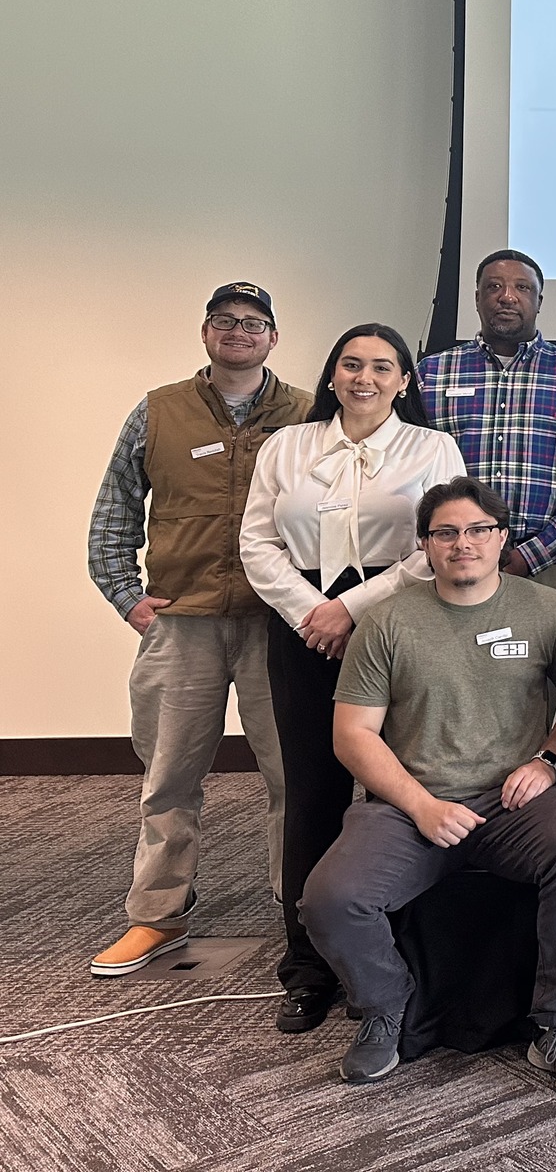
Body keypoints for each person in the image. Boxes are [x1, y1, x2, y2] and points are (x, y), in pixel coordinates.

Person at [299, 478, 556, 1095]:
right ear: (424, 544)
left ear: (502, 538)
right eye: (445, 532)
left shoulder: (547, 611)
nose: (462, 543)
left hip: (516, 801)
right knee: (329, 900)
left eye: (478, 530)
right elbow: (352, 736)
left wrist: (547, 760)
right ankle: (386, 1005)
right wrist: (421, 805)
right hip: (408, 804)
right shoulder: (387, 622)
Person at [240, 323, 465, 1034]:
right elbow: (257, 541)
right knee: (311, 792)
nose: (364, 377)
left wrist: (352, 609)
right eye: (351, 364)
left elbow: (439, 544)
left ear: (404, 381)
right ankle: (308, 967)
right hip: (301, 624)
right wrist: (315, 614)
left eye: (382, 367)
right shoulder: (287, 446)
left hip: (401, 620)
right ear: (332, 375)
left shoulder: (432, 448)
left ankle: (397, 955)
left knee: (402, 787)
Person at [85, 282, 309, 977]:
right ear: (206, 332)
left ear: (274, 338)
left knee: (295, 776)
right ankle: (157, 916)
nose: (239, 331)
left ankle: (303, 913)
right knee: (169, 777)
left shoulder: (306, 414)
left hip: (279, 627)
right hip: (182, 625)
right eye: (224, 320)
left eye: (254, 322)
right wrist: (129, 599)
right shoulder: (158, 411)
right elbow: (114, 512)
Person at [417, 248, 556, 603]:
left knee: (545, 643)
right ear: (476, 298)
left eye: (522, 287)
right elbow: (408, 468)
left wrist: (533, 554)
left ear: (539, 301)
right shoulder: (431, 375)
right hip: (451, 558)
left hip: (547, 562)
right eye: (494, 286)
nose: (507, 296)